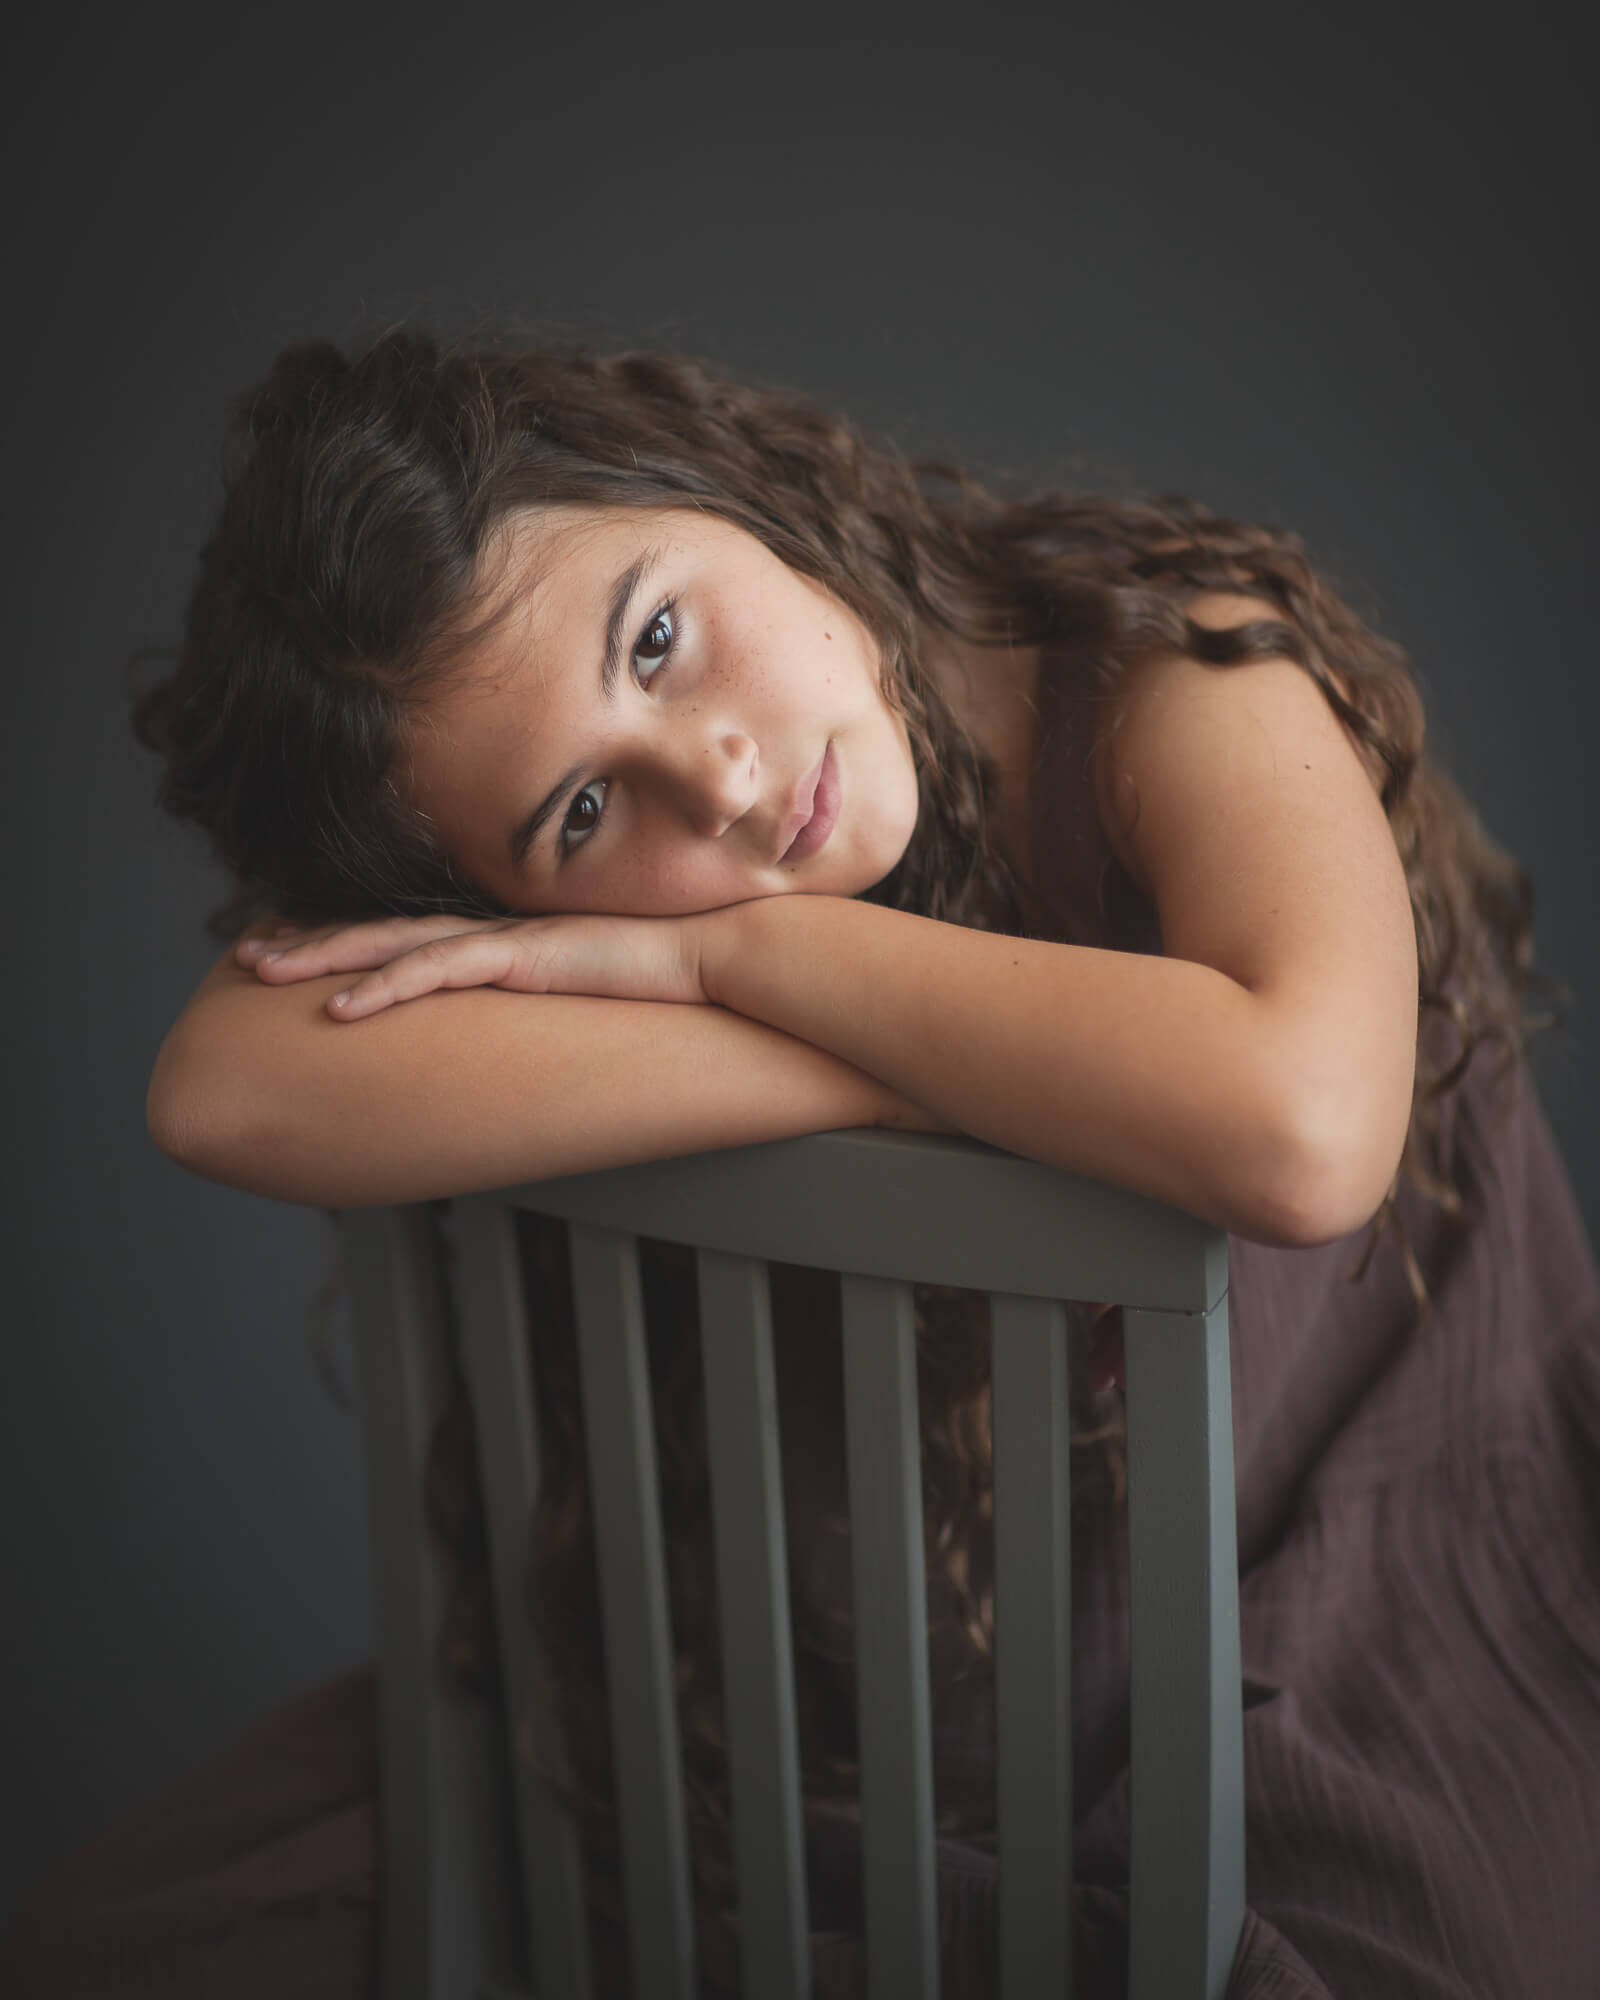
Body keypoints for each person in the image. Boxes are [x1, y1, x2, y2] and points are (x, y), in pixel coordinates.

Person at [4, 329, 1597, 1998]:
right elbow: (219, 1089)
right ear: (498, 910)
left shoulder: (1173, 678)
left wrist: (735, 966)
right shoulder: (601, 879)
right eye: (582, 816)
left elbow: (1302, 1126)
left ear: (715, 489)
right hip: (798, 1755)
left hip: (1378, 1662)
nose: (721, 780)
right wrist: (955, 1071)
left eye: (662, 637)